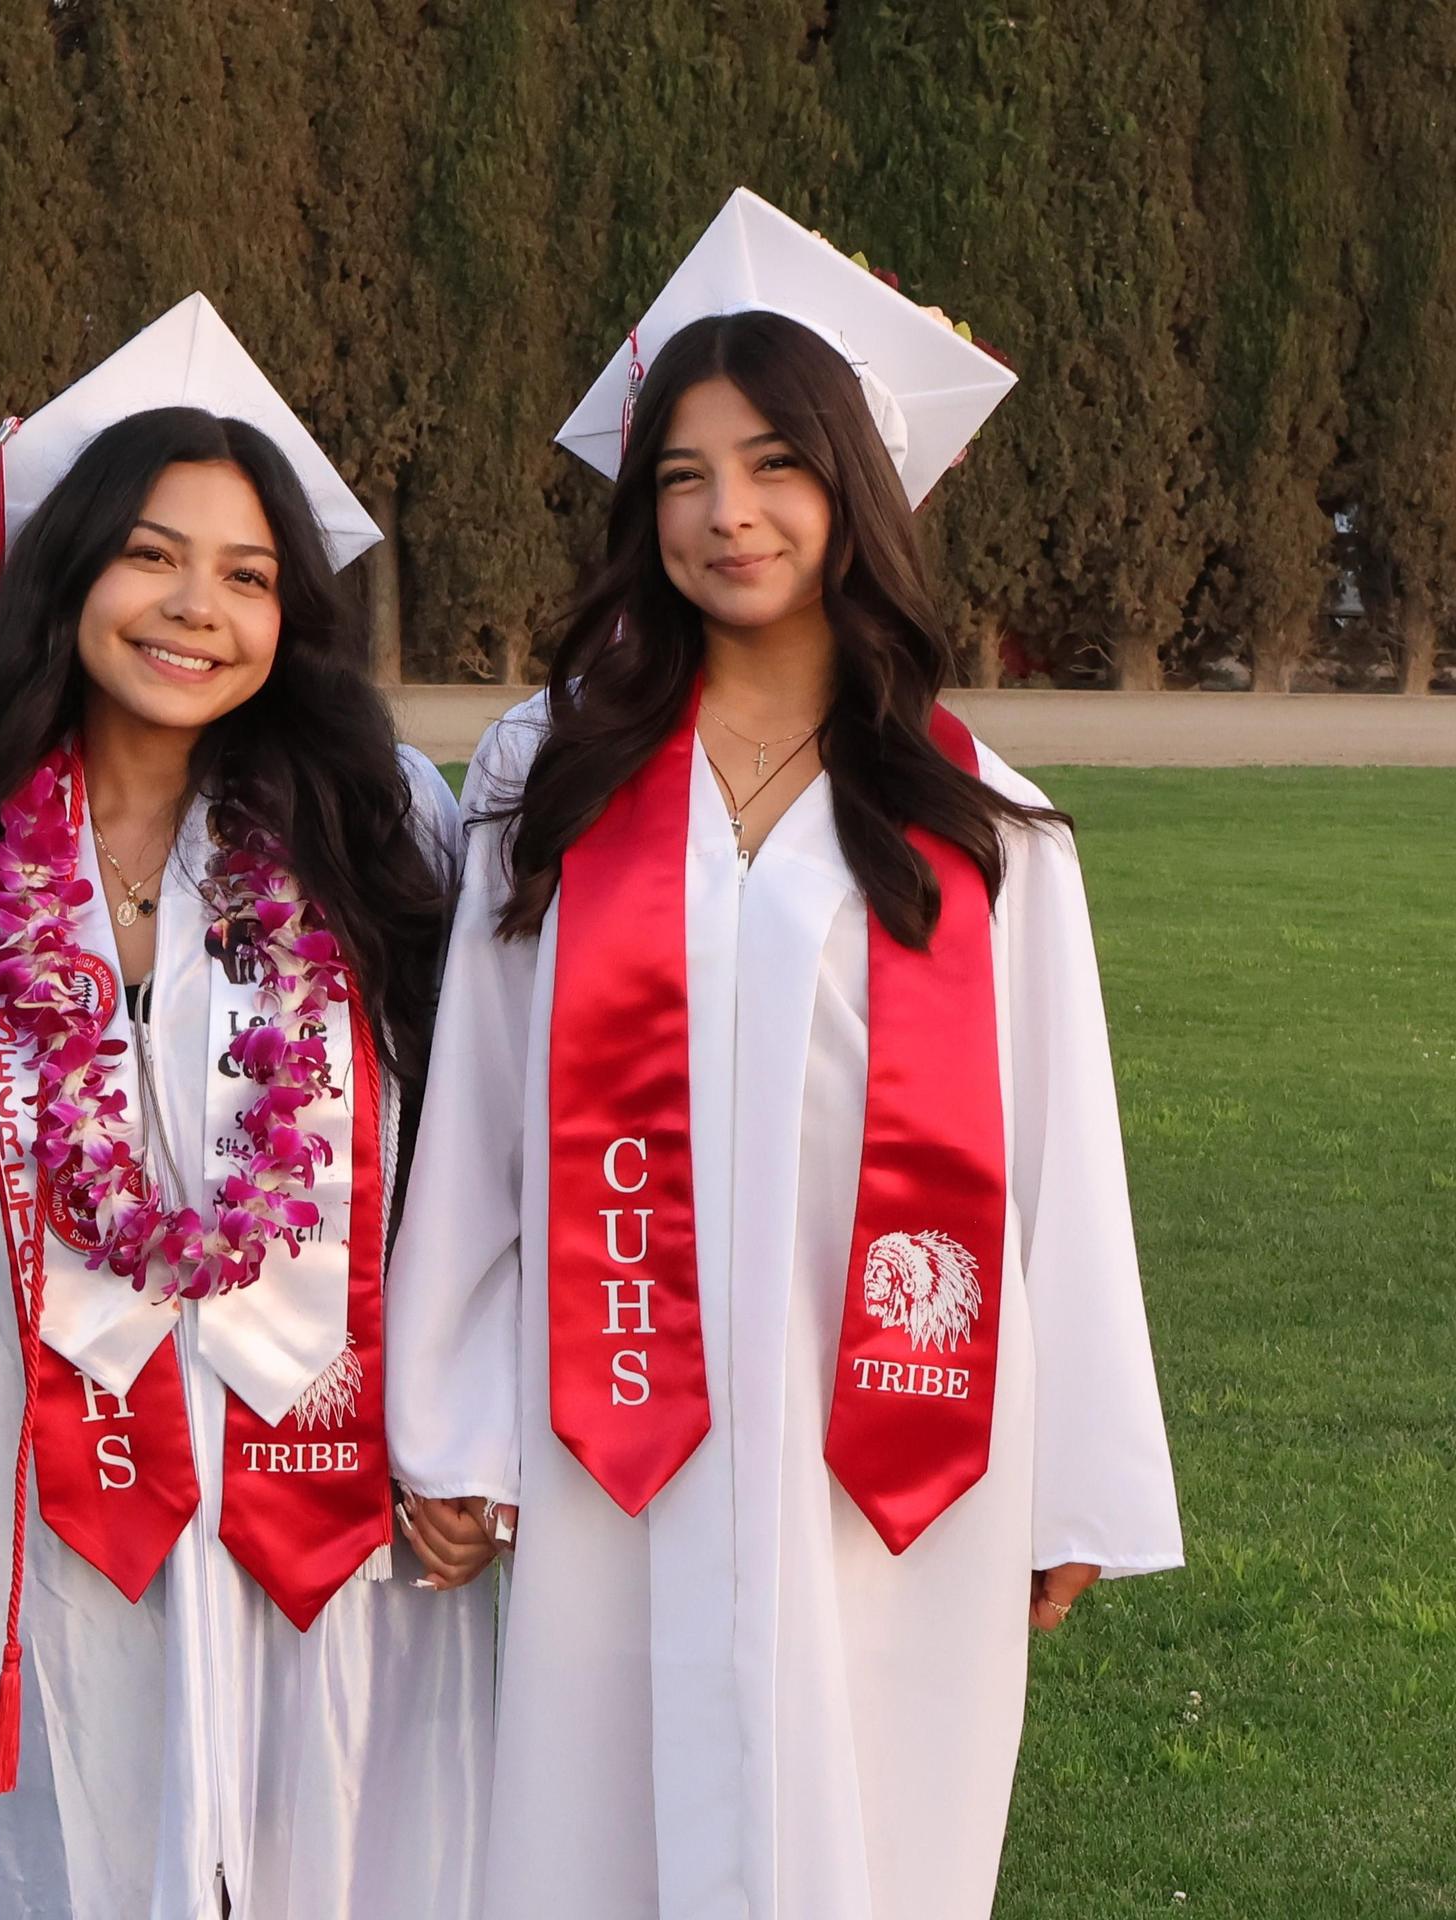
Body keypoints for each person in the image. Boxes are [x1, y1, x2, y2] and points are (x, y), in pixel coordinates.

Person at [385, 189, 1181, 1920]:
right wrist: (447, 1419)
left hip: (889, 1435)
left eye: (774, 466)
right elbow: (482, 1119)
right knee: (605, 1829)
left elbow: (1063, 1162)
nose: (726, 513)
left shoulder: (986, 822)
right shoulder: (552, 778)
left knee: (876, 1828)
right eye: (680, 475)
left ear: (856, 493)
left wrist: (1082, 1481)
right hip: (621, 1414)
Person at [0, 295, 492, 1919]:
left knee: (356, 1859)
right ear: (68, 581)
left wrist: (469, 1433)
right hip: (78, 1513)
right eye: (153, 558)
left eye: (249, 575)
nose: (198, 609)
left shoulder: (381, 835)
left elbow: (479, 1152)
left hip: (338, 1513)